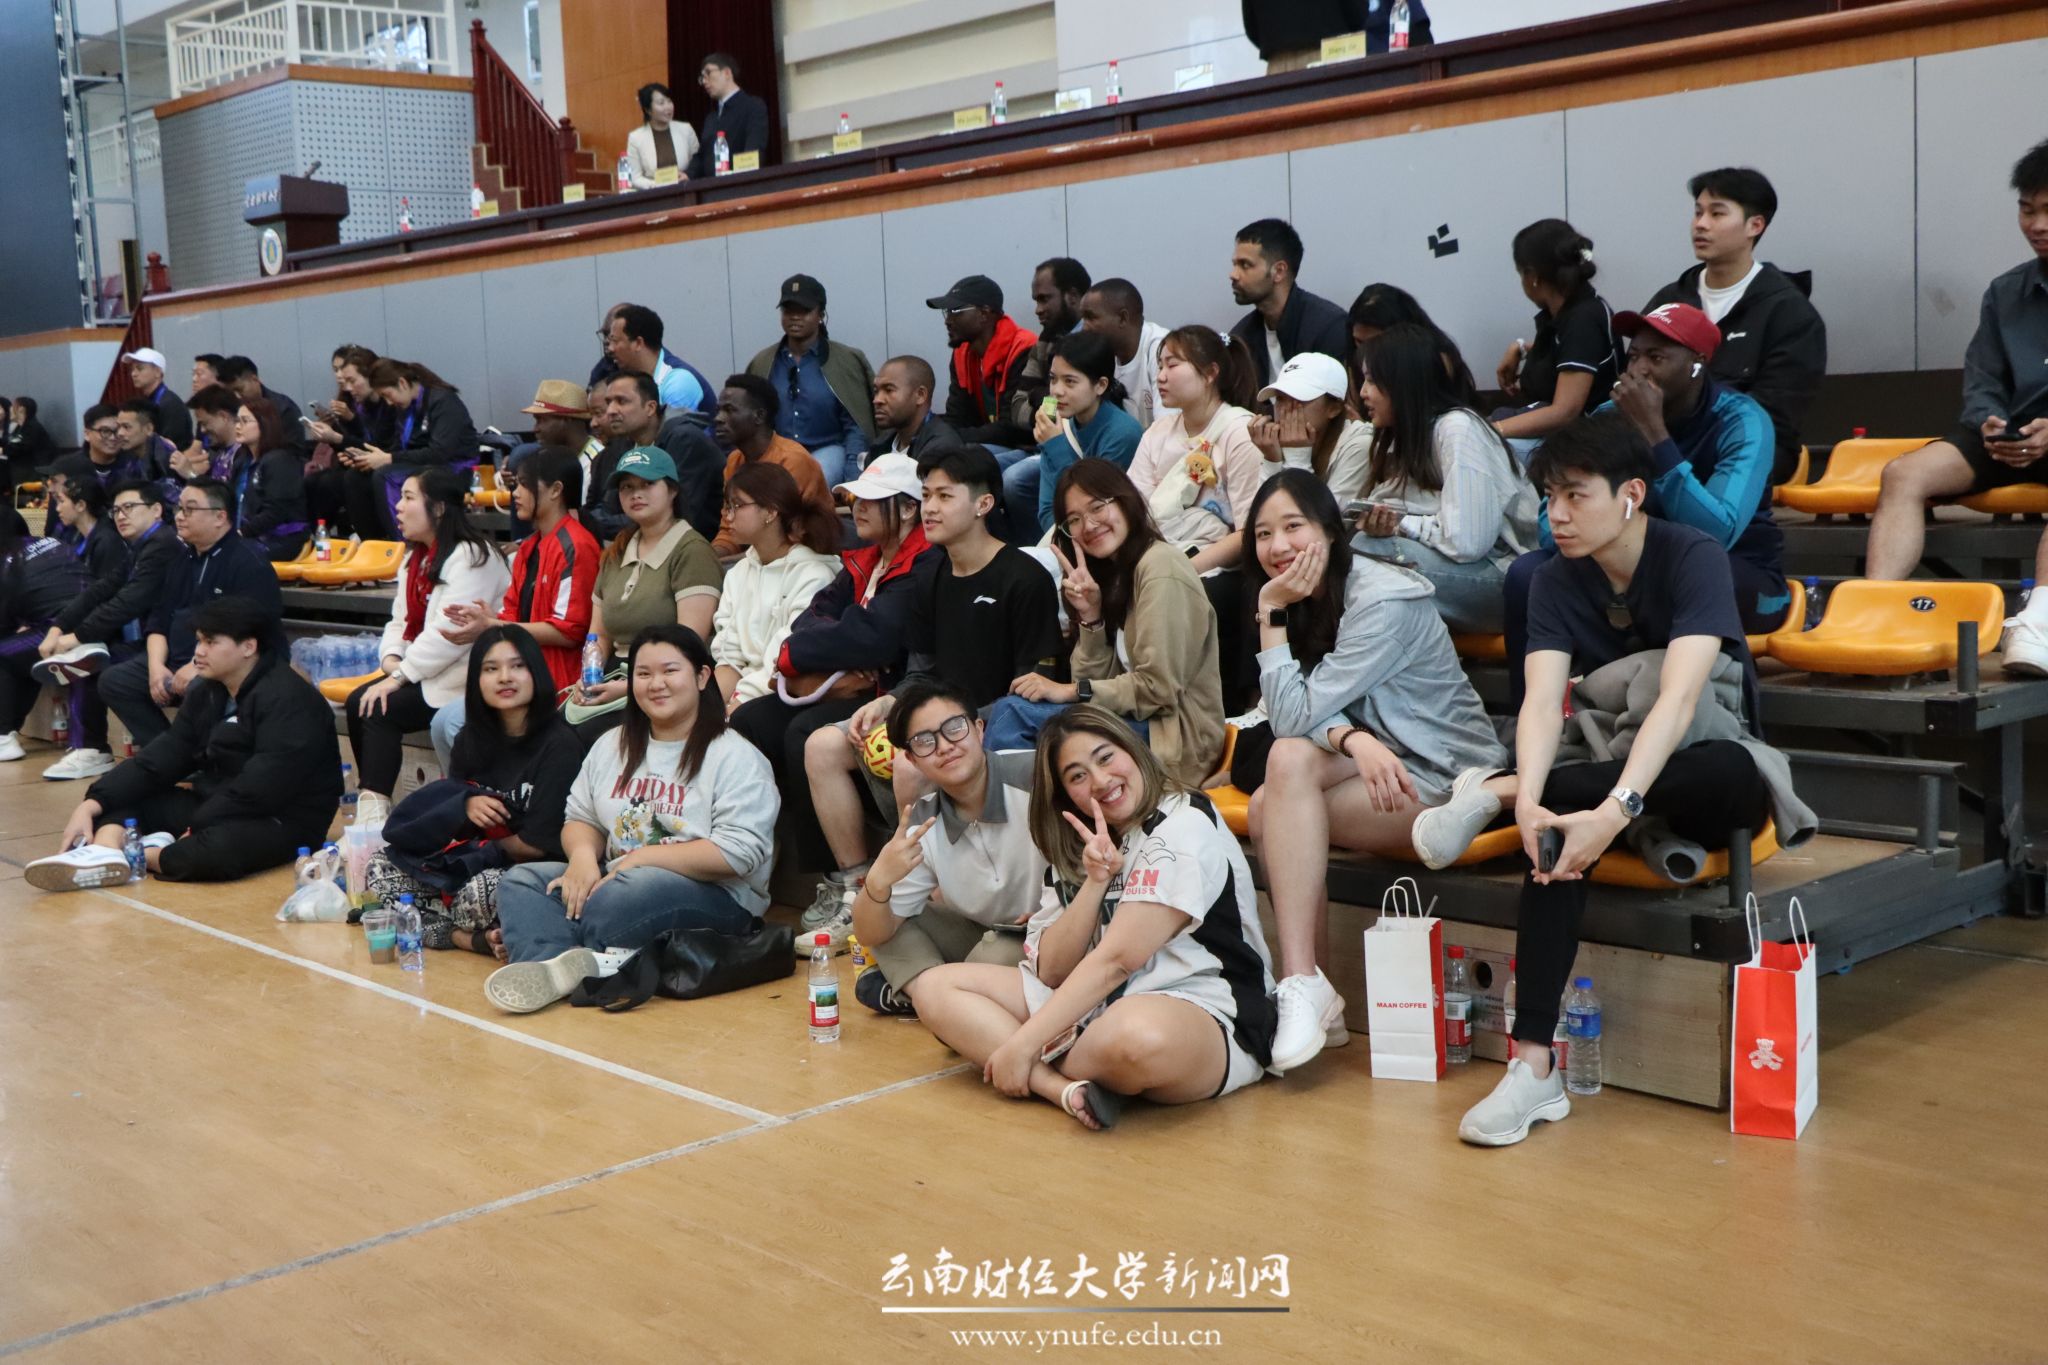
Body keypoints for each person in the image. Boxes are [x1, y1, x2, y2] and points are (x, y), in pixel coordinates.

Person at [1455, 414, 1811, 1146]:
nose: (1556, 514)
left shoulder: (1693, 555)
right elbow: (1541, 703)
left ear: (1632, 494)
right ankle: (1534, 1063)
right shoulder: (1552, 578)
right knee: (1553, 826)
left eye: (1575, 495)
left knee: (1715, 767)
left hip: (1705, 770)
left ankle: (1491, 794)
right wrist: (1532, 802)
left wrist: (1611, 808)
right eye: (1549, 496)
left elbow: (1679, 703)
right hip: (1604, 775)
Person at [1240, 469, 1508, 1071]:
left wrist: (1271, 611)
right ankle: (1310, 989)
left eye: (1292, 526)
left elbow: (1292, 715)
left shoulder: (1382, 600)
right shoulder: (1303, 598)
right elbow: (1293, 719)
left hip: (1445, 777)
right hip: (1382, 761)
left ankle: (1306, 986)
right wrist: (1351, 738)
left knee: (1269, 804)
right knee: (1280, 776)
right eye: (1262, 533)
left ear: (1331, 533)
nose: (1277, 546)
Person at [914, 707, 1278, 1130]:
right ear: (1065, 794)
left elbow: (1118, 961)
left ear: (1134, 750)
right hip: (1095, 1008)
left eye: (1106, 758)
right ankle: (1058, 1087)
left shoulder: (1183, 821)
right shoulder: (1080, 841)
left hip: (1206, 1009)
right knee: (934, 986)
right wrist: (1093, 883)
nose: (1101, 781)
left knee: (1133, 1036)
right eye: (1077, 776)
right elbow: (1051, 970)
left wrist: (1023, 1044)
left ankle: (1018, 1056)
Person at [800, 445, 1062, 948]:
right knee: (824, 745)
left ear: (983, 504)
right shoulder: (930, 573)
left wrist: (953, 725)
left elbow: (1033, 693)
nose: (931, 508)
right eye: (925, 496)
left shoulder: (1023, 578)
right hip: (934, 713)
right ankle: (858, 884)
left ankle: (931, 886)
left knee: (909, 764)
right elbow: (921, 671)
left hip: (995, 725)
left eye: (944, 496)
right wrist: (889, 702)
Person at [485, 624, 778, 1013]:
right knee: (521, 882)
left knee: (621, 896)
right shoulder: (612, 744)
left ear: (702, 676)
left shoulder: (735, 756)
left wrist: (639, 860)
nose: (656, 684)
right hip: (615, 880)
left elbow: (739, 853)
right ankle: (569, 967)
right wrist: (582, 859)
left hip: (718, 898)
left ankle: (554, 947)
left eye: (670, 671)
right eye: (643, 673)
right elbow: (580, 818)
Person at [1504, 303, 1789, 702]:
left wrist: (1655, 434)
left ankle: (1679, 710)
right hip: (1624, 567)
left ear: (1697, 364)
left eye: (1656, 358)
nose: (1638, 370)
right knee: (1528, 574)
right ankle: (1534, 715)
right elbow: (1552, 528)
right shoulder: (1609, 415)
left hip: (1740, 572)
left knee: (1674, 575)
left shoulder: (1742, 420)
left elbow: (1716, 534)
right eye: (1634, 356)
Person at [1870, 136, 2048, 676]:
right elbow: (1983, 377)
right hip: (2009, 436)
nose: (2037, 224)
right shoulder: (2005, 292)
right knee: (1903, 474)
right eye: (2027, 210)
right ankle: (1872, 613)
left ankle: (2040, 625)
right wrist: (1990, 423)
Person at [27, 598, 339, 889]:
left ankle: (133, 855)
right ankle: (105, 850)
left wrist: (200, 823)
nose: (198, 652)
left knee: (214, 851)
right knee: (121, 800)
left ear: (248, 646)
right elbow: (164, 755)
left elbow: (264, 784)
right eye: (199, 641)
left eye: (211, 642)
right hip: (217, 801)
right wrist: (91, 803)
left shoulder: (289, 699)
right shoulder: (207, 691)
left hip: (282, 817)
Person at [725, 453, 932, 880]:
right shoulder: (865, 558)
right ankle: (753, 845)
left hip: (887, 693)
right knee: (750, 721)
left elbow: (876, 637)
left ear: (909, 508)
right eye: (856, 499)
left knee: (804, 733)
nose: (858, 508)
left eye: (871, 500)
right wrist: (822, 647)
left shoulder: (923, 562)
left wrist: (822, 643)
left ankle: (836, 875)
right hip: (846, 683)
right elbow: (809, 622)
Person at [364, 627, 586, 958]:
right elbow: (450, 810)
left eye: (517, 666)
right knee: (379, 869)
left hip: (527, 868)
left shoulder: (560, 746)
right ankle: (466, 938)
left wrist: (473, 848)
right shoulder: (470, 739)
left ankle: (447, 926)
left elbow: (536, 846)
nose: (504, 677)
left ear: (536, 674)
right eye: (491, 669)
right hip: (472, 858)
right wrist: (463, 806)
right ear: (476, 681)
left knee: (481, 893)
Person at [1002, 459, 1224, 786]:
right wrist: (1092, 619)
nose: (1089, 525)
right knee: (993, 715)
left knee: (1012, 716)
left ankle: (1014, 816)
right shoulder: (1118, 574)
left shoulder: (1161, 567)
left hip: (1176, 740)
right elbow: (1097, 687)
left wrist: (1068, 691)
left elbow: (1158, 689)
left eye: (1097, 507)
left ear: (1125, 501)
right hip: (1136, 724)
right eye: (1074, 519)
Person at [847, 680, 1050, 1018]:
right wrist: (877, 882)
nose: (944, 747)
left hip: (1053, 931)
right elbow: (870, 934)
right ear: (912, 759)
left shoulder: (1037, 775)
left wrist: (1059, 907)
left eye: (954, 728)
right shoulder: (923, 821)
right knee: (881, 920)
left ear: (979, 729)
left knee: (994, 957)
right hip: (984, 930)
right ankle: (939, 998)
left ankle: (925, 995)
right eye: (924, 741)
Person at [346, 467, 513, 826]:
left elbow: (448, 635)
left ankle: (373, 820)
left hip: (464, 677)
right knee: (359, 701)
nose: (398, 507)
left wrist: (400, 676)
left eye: (408, 498)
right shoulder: (415, 558)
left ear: (438, 508)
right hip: (425, 672)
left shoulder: (473, 556)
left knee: (378, 708)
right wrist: (392, 661)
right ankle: (372, 809)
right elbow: (398, 621)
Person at [1351, 323, 1540, 633]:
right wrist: (1385, 522)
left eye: (1372, 380)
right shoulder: (1413, 435)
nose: (1363, 393)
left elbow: (1467, 542)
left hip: (1507, 581)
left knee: (1365, 551)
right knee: (1357, 552)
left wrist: (1401, 525)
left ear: (1402, 381)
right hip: (1469, 572)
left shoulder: (1458, 428)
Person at [1643, 167, 1827, 483]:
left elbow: (1774, 414)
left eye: (1717, 214)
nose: (1701, 224)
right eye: (1698, 212)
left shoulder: (1790, 313)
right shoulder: (1670, 299)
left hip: (1746, 447)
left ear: (1755, 225)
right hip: (1664, 438)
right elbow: (1635, 378)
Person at [431, 447, 601, 769]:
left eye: (524, 484)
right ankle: (471, 793)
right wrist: (486, 620)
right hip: (523, 673)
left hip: (558, 683)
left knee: (453, 724)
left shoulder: (576, 545)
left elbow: (569, 631)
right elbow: (510, 615)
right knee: (442, 724)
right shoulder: (529, 546)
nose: (516, 493)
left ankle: (497, 790)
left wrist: (493, 626)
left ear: (555, 490)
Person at [1126, 324, 1266, 712]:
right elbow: (1135, 511)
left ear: (1210, 373)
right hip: (1160, 553)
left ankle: (1197, 711)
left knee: (1194, 598)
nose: (1160, 376)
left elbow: (1250, 531)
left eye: (1172, 364)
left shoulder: (1240, 432)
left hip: (1218, 564)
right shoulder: (1157, 433)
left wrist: (1184, 570)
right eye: (1159, 365)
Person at [99, 478, 283, 749]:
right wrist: (156, 668)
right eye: (179, 509)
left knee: (201, 688)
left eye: (190, 509)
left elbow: (251, 633)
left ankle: (199, 757)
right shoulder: (181, 559)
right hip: (178, 660)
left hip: (229, 664)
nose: (180, 517)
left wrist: (198, 665)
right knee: (116, 680)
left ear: (220, 517)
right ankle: (167, 752)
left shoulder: (248, 562)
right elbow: (158, 621)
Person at [571, 446, 723, 741]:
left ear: (673, 490)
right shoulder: (615, 552)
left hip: (664, 683)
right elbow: (598, 635)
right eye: (627, 487)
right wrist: (589, 678)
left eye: (647, 484)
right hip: (614, 674)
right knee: (553, 729)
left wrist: (630, 686)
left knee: (584, 736)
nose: (636, 494)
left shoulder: (692, 551)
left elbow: (689, 644)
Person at [38, 480, 176, 781]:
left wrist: (77, 636)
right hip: (158, 638)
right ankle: (150, 753)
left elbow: (130, 601)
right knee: (91, 661)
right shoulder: (140, 546)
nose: (121, 516)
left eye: (129, 507)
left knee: (95, 665)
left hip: (176, 642)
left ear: (156, 510)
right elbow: (101, 589)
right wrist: (59, 626)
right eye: (116, 510)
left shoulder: (164, 544)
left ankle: (152, 754)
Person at [710, 460, 840, 708]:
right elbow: (729, 658)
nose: (728, 516)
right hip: (743, 694)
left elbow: (782, 659)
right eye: (727, 506)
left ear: (771, 512)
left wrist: (735, 707)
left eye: (737, 506)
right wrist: (707, 708)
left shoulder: (814, 575)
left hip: (784, 692)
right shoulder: (738, 573)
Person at [745, 273, 876, 487]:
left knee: (810, 479)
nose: (795, 317)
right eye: (788, 310)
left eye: (804, 311)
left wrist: (854, 476)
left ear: (821, 315)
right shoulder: (763, 361)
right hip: (777, 454)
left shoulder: (846, 360)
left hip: (829, 450)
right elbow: (752, 423)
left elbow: (856, 425)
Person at [1495, 219, 1621, 440]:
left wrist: (1492, 431)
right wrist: (1521, 348)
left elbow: (1564, 412)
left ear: (1532, 276)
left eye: (1521, 274)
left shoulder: (1584, 319)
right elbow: (1568, 354)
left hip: (1586, 442)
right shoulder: (1568, 312)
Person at [30, 477, 123, 775]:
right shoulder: (74, 538)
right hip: (80, 623)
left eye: (61, 501)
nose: (56, 508)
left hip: (113, 630)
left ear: (81, 505)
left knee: (83, 663)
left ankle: (92, 748)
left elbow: (108, 598)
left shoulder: (107, 541)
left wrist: (77, 635)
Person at [1001, 257, 1093, 534]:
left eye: (1044, 299)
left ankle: (1046, 547)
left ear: (1072, 296)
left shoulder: (1092, 344)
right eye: (1035, 300)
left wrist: (1043, 397)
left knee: (1014, 481)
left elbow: (1074, 411)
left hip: (1075, 448)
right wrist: (1048, 405)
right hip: (1037, 442)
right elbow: (1016, 408)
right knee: (979, 465)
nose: (1038, 310)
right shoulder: (1045, 340)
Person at [337, 359, 478, 537]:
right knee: (356, 477)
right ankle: (374, 543)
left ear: (402, 383)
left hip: (454, 469)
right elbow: (399, 448)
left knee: (386, 476)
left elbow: (439, 452)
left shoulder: (443, 401)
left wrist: (388, 459)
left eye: (388, 395)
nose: (388, 403)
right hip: (420, 466)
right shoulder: (405, 408)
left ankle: (403, 542)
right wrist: (368, 458)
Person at [1028, 331, 1143, 536]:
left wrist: (1056, 445)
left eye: (1070, 381)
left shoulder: (1123, 434)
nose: (1056, 391)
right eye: (1053, 379)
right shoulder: (1058, 425)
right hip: (1068, 535)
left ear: (1100, 385)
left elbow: (1092, 509)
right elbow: (1046, 511)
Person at [709, 374, 836, 558]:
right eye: (718, 410)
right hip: (756, 558)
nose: (718, 418)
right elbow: (729, 531)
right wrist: (708, 558)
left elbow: (785, 541)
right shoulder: (734, 461)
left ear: (759, 416)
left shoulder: (793, 460)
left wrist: (724, 563)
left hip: (802, 559)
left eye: (729, 410)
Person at [593, 371, 724, 543]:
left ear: (650, 408)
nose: (610, 411)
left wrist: (593, 522)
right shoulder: (624, 443)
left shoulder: (684, 439)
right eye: (608, 402)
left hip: (698, 546)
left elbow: (675, 516)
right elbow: (608, 508)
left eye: (621, 401)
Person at [0, 523, 89, 764]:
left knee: (5, 654)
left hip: (62, 632)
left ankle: (3, 735)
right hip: (91, 622)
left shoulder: (8, 560)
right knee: (22, 656)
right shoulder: (54, 542)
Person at [1228, 218, 1351, 390]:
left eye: (1245, 265)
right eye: (1234, 264)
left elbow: (1335, 399)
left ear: (1279, 271)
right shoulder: (1242, 336)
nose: (1233, 274)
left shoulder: (1329, 328)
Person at [1246, 352, 1373, 506]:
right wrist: (1271, 461)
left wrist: (1297, 456)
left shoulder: (1359, 445)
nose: (1285, 410)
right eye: (1280, 398)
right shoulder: (1273, 444)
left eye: (1299, 399)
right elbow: (1261, 518)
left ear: (1334, 408)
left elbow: (1316, 519)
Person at [927, 275, 1037, 452]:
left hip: (1024, 446)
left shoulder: (1023, 349)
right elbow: (957, 415)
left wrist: (952, 438)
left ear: (984, 314)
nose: (947, 320)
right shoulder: (962, 354)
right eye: (947, 312)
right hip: (986, 443)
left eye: (955, 311)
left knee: (957, 454)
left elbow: (1012, 427)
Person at [1346, 282, 1482, 404]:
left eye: (1374, 342)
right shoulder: (1355, 360)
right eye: (1359, 342)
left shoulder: (1434, 359)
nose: (1366, 351)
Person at [224, 396, 310, 560]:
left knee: (229, 557)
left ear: (264, 423)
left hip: (281, 538)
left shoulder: (280, 460)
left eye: (245, 421)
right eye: (237, 421)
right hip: (249, 535)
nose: (238, 426)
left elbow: (276, 512)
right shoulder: (241, 461)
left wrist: (241, 533)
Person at [1080, 277, 1171, 430]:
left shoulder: (1162, 349)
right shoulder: (1096, 352)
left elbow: (1167, 430)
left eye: (1091, 317)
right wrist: (1049, 413)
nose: (1084, 327)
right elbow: (1059, 400)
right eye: (1083, 319)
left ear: (1123, 318)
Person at [606, 303, 716, 417]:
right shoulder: (625, 376)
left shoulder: (678, 382)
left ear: (638, 343)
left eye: (615, 341)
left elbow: (672, 428)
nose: (610, 349)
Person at [686, 51, 771, 180]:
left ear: (727, 73)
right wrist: (687, 174)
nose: (704, 81)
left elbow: (754, 149)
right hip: (711, 187)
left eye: (708, 73)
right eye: (702, 78)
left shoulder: (752, 106)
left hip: (741, 184)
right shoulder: (711, 118)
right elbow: (703, 155)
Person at [871, 355, 963, 461]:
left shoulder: (942, 448)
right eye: (876, 391)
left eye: (889, 390)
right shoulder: (880, 445)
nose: (877, 400)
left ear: (920, 395)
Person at [215, 357, 306, 452]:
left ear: (254, 379)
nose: (237, 396)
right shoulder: (232, 408)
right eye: (231, 393)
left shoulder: (284, 408)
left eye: (240, 389)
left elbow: (293, 452)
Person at [625, 81, 699, 187]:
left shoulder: (686, 129)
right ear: (648, 110)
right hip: (654, 193)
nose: (668, 107)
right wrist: (656, 185)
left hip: (685, 189)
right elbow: (635, 177)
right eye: (661, 103)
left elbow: (698, 162)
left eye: (669, 101)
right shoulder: (636, 138)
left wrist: (688, 175)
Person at [122, 347, 192, 447]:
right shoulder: (150, 401)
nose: (133, 374)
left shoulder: (170, 404)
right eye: (132, 369)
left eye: (140, 368)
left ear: (157, 372)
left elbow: (169, 447)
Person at [115, 400, 179, 494]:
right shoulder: (124, 453)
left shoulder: (166, 457)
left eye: (126, 427)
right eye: (118, 427)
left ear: (148, 429)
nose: (119, 433)